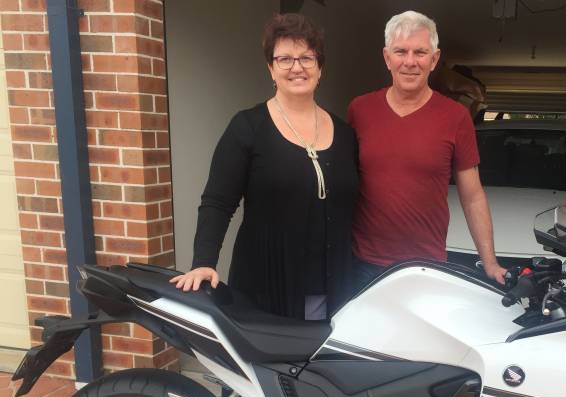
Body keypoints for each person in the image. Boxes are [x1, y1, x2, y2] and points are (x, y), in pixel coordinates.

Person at [171, 13, 358, 321]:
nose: (297, 67)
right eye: (285, 59)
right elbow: (217, 202)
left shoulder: (346, 134)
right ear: (271, 68)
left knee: (323, 352)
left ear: (320, 67)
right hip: (266, 285)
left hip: (333, 285)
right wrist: (203, 261)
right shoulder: (247, 128)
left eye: (306, 58)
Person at [347, 10, 505, 290]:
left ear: (434, 59)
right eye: (400, 51)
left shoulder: (456, 117)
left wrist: (490, 262)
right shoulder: (359, 110)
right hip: (364, 265)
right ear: (387, 57)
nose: (410, 62)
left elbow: (472, 196)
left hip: (426, 266)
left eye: (420, 52)